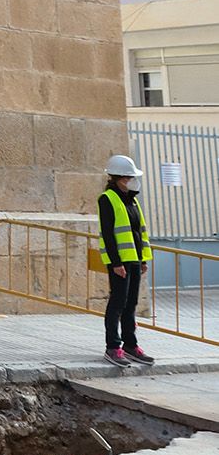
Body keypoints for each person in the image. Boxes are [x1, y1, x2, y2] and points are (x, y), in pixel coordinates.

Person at [97, 154, 154, 367]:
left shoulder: (132, 200)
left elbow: (140, 232)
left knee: (131, 304)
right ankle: (113, 347)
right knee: (117, 303)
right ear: (121, 178)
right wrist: (115, 263)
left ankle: (131, 345)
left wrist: (143, 259)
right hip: (119, 262)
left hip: (134, 259)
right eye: (130, 177)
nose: (133, 180)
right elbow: (109, 234)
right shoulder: (107, 199)